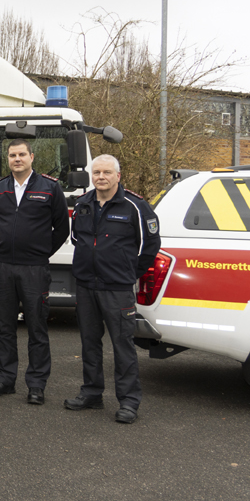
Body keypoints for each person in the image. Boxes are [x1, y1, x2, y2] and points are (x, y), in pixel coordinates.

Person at [64, 155, 160, 425]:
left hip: (117, 289)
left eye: (107, 172)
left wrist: (128, 272)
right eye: (96, 172)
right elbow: (77, 239)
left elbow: (150, 245)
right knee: (89, 343)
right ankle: (91, 393)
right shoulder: (82, 204)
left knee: (122, 345)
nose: (101, 177)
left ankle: (128, 401)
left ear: (118, 176)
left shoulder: (135, 206)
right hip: (86, 285)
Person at [0, 138, 68, 405]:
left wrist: (40, 253)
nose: (17, 159)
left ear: (32, 157)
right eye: (12, 155)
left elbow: (62, 228)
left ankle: (36, 385)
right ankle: (5, 379)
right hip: (3, 267)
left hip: (34, 269)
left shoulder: (50, 188)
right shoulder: (0, 188)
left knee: (36, 327)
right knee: (5, 326)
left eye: (21, 154)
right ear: (8, 159)